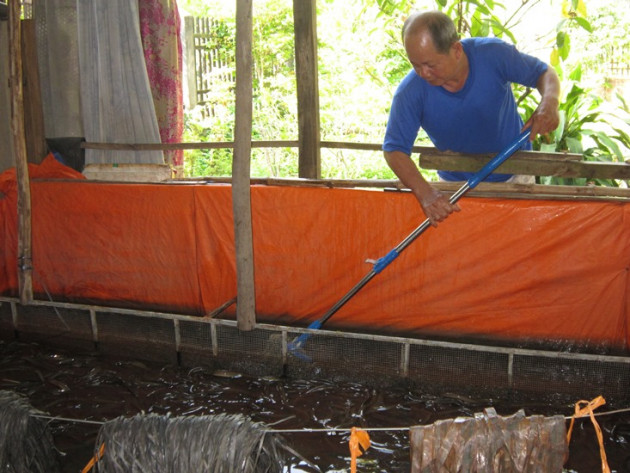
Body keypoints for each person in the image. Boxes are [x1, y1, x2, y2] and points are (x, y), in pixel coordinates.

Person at [382, 11, 560, 227]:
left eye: (430, 65)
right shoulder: (411, 91)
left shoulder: (493, 55)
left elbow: (543, 73)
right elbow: (394, 150)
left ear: (456, 49)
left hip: (516, 176)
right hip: (456, 187)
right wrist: (426, 194)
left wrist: (549, 103)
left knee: (519, 250)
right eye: (415, 65)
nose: (423, 73)